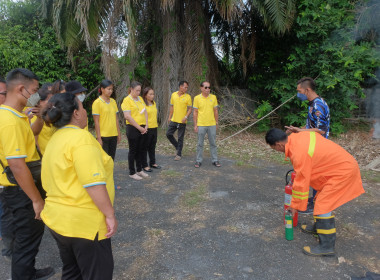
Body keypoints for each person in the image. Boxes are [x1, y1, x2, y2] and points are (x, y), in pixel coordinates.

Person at [41, 93, 117, 280]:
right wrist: (110, 214)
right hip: (84, 225)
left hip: (58, 221)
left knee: (72, 272)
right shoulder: (81, 139)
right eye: (83, 108)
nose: (85, 113)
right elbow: (93, 183)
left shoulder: (54, 140)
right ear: (76, 113)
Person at [265, 128, 365, 257]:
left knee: (323, 205)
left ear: (278, 145)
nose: (277, 151)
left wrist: (294, 206)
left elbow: (302, 182)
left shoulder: (298, 152)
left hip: (342, 172)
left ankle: (327, 247)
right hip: (338, 168)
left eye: (275, 149)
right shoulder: (300, 136)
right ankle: (318, 228)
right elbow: (318, 133)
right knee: (318, 200)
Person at [0, 68, 54, 279]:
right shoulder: (9, 120)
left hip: (22, 185)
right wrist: (36, 199)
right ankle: (24, 275)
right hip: (20, 189)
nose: (36, 95)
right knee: (26, 236)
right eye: (34, 90)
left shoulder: (15, 115)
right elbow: (17, 164)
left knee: (30, 234)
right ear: (21, 89)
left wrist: (39, 117)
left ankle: (28, 271)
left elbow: (30, 135)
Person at [285, 77, 330, 214]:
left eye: (299, 91)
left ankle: (317, 203)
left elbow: (321, 129)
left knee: (316, 174)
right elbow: (310, 126)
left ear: (307, 90)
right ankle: (314, 200)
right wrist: (297, 130)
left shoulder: (318, 105)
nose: (298, 94)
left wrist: (301, 131)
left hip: (318, 146)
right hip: (312, 143)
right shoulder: (312, 104)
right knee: (311, 174)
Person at [121, 81, 149, 180]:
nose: (138, 92)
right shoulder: (126, 100)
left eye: (139, 90)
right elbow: (127, 116)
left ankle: (139, 169)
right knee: (133, 150)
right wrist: (139, 127)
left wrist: (146, 125)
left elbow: (145, 112)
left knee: (140, 149)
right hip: (133, 128)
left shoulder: (140, 99)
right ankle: (132, 172)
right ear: (131, 89)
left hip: (142, 127)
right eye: (136, 90)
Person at [193, 81, 221, 168]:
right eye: (206, 87)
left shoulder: (213, 97)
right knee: (200, 144)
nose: (208, 89)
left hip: (212, 124)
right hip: (201, 124)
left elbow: (215, 111)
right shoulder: (197, 98)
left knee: (213, 143)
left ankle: (215, 160)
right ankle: (198, 161)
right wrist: (195, 125)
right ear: (201, 88)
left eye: (209, 87)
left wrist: (216, 122)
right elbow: (195, 112)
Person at [92, 79, 121, 160]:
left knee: (111, 159)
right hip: (103, 136)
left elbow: (116, 119)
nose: (110, 91)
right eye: (108, 89)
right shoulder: (97, 103)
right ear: (102, 89)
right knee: (104, 159)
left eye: (112, 89)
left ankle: (110, 173)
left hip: (113, 134)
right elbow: (96, 122)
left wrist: (118, 133)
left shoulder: (113, 102)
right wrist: (99, 138)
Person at [166, 81, 192, 161]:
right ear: (180, 86)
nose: (186, 89)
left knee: (180, 137)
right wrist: (169, 117)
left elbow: (190, 109)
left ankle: (179, 154)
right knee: (168, 134)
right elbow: (172, 107)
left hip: (182, 121)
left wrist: (186, 117)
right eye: (185, 87)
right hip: (174, 119)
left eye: (187, 87)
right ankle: (177, 147)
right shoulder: (173, 95)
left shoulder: (188, 97)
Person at [141, 87, 161, 172]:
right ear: (145, 95)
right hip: (147, 128)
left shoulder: (154, 103)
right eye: (150, 94)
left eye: (153, 94)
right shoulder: (142, 104)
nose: (152, 96)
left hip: (154, 127)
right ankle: (144, 165)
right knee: (145, 147)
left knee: (152, 146)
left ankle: (152, 163)